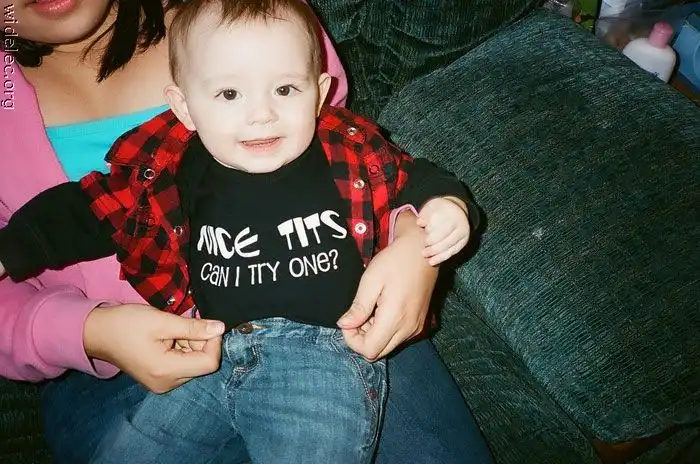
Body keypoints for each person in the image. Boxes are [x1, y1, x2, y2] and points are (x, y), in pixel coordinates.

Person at [0, 0, 493, 463]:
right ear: (183, 108)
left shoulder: (339, 140)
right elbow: (86, 210)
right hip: (199, 349)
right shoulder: (170, 161)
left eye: (285, 90)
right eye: (229, 94)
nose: (261, 114)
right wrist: (21, 259)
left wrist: (428, 226)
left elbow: (408, 177)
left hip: (328, 342)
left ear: (319, 93)